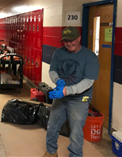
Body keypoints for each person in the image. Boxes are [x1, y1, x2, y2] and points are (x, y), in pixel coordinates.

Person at [43, 26, 100, 157]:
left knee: (75, 131)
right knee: (52, 125)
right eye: (66, 41)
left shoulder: (89, 57)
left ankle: (75, 155)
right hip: (61, 96)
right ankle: (51, 152)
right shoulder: (58, 53)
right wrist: (57, 80)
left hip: (79, 99)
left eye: (72, 40)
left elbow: (88, 82)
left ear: (79, 38)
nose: (69, 43)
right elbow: (52, 70)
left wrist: (67, 90)